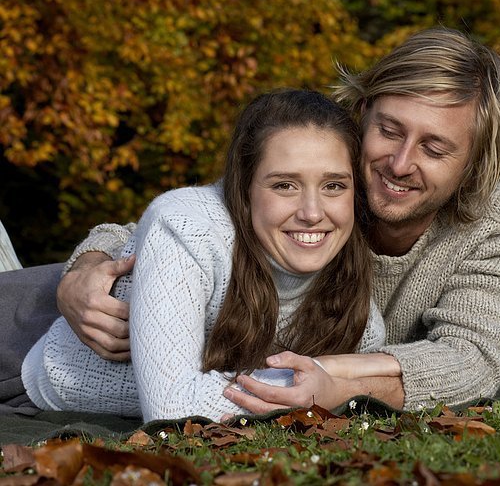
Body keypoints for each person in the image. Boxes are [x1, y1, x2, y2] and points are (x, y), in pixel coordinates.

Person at [55, 27, 500, 413]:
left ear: (476, 163)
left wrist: (339, 384)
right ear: (364, 111)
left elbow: (472, 357)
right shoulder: (331, 149)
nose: (399, 163)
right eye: (390, 130)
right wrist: (81, 269)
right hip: (117, 319)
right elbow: (201, 217)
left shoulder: (498, 212)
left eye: (434, 148)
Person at [20, 90, 386, 422]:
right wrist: (330, 384)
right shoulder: (187, 227)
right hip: (20, 365)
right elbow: (172, 409)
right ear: (242, 189)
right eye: (284, 185)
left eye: (334, 185)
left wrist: (337, 383)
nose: (312, 211)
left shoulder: (357, 307)